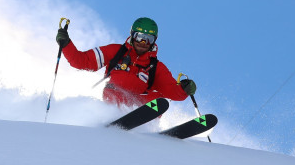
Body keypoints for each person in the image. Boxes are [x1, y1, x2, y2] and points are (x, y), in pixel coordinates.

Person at [56, 17, 197, 108]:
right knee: (115, 89)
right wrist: (66, 43)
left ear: (154, 41)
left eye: (148, 39)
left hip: (140, 104)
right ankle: (113, 117)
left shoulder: (156, 67)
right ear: (132, 35)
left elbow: (171, 90)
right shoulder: (116, 52)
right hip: (114, 98)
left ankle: (144, 121)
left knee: (159, 98)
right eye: (140, 37)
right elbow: (81, 61)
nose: (143, 42)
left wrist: (184, 89)